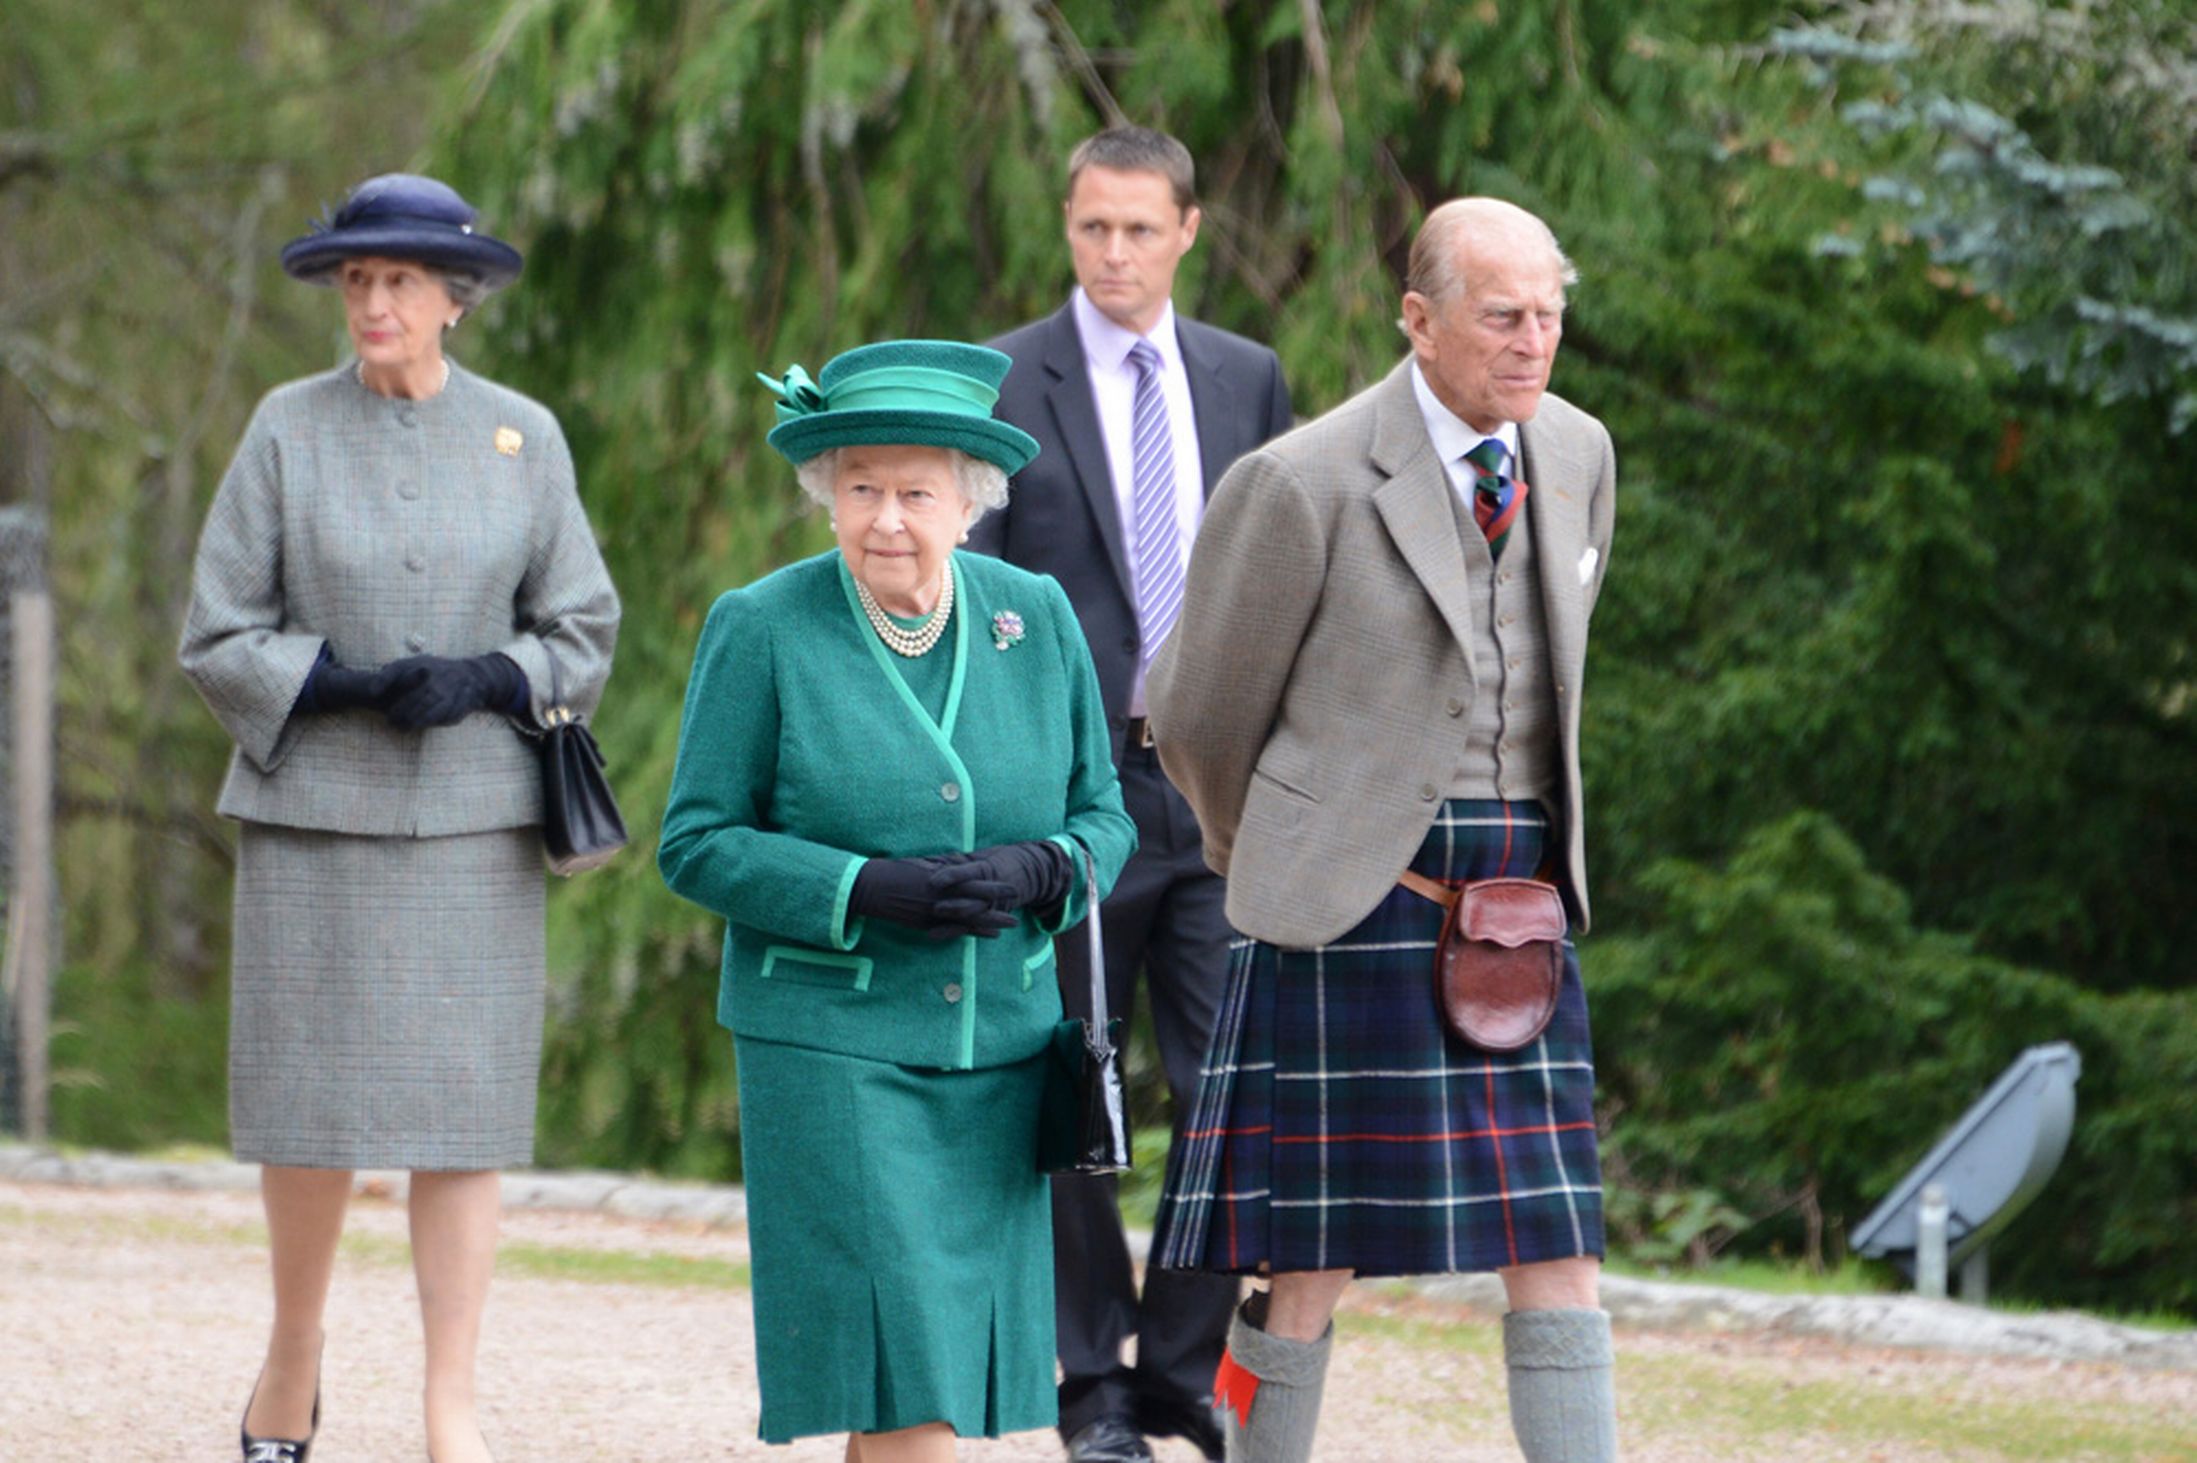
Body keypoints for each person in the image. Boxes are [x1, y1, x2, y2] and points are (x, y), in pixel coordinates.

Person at [1145, 198, 1620, 1463]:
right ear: (1418, 318)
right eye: (1502, 315)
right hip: (1349, 903)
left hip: (1517, 902)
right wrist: (1286, 857)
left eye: (1550, 315)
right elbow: (1196, 717)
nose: (1533, 341)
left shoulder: (1578, 452)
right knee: (1302, 1263)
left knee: (1556, 1240)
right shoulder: (1299, 480)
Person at [178, 173, 619, 1463]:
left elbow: (582, 627)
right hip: (312, 819)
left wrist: (490, 676)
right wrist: (334, 682)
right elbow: (215, 630)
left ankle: (450, 1406)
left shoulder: (526, 437)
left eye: (402, 282)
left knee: (463, 1120)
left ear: (454, 298)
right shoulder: (285, 428)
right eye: (358, 280)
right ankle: (292, 1357)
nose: (374, 302)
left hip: (475, 830)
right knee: (308, 1111)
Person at [659, 339, 1139, 1461]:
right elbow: (696, 842)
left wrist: (1046, 869)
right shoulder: (763, 623)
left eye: (916, 493)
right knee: (910, 1381)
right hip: (834, 1049)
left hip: (999, 1053)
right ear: (826, 494)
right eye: (861, 487)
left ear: (969, 504)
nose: (885, 519)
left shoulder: (1034, 615)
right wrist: (861, 886)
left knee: (920, 1385)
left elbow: (1106, 816)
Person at [968, 124, 1292, 1463]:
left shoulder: (1245, 376)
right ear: (1067, 224)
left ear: (1187, 231)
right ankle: (1091, 1378)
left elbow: (1283, 572)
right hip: (1074, 794)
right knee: (1073, 1078)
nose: (1114, 253)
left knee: (1230, 1085)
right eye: (1092, 227)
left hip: (1216, 791)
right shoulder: (1002, 379)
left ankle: (1176, 1372)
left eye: (1140, 229)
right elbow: (975, 589)